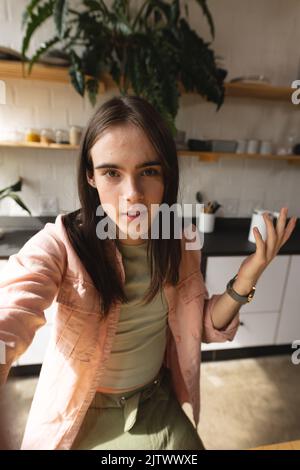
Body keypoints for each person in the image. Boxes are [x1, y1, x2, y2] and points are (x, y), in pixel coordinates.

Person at [0, 95, 297, 450]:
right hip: (83, 413)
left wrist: (250, 273)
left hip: (157, 402)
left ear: (166, 175)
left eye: (149, 172)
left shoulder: (179, 242)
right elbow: (12, 311)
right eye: (112, 172)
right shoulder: (62, 245)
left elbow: (199, 324)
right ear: (90, 177)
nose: (134, 195)